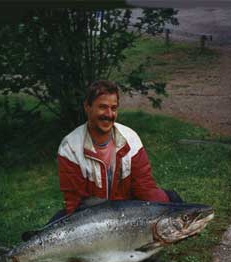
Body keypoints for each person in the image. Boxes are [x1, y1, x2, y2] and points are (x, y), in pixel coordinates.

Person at [21, 80, 182, 241]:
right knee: (57, 232)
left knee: (172, 201)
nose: (109, 114)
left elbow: (145, 187)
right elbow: (75, 202)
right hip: (91, 215)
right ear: (87, 107)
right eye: (102, 107)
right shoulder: (70, 147)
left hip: (127, 213)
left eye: (113, 108)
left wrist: (170, 217)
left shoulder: (131, 139)